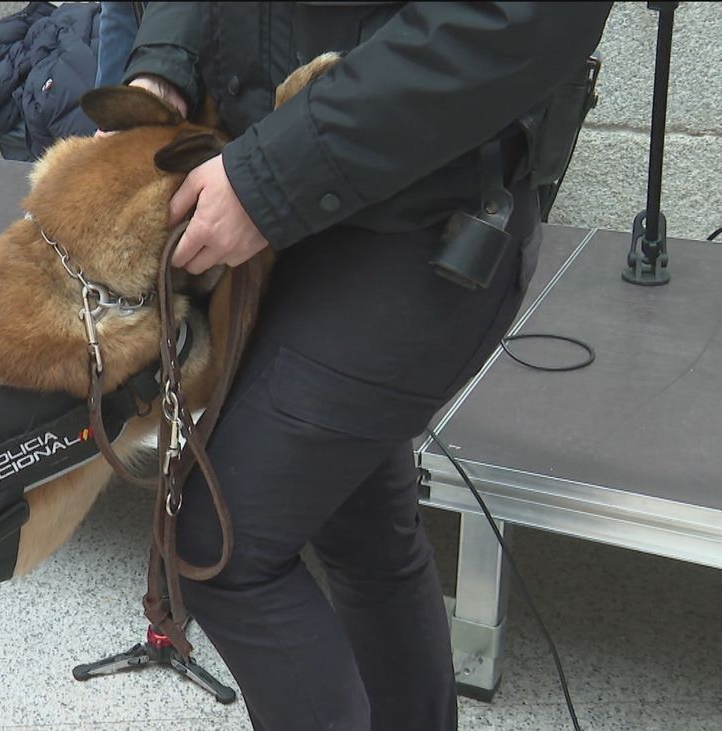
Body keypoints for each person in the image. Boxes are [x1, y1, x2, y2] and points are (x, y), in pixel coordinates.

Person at [110, 3, 613, 729]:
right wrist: (163, 64)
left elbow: (519, 19)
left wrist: (267, 177)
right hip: (281, 180)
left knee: (221, 550)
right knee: (360, 528)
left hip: (417, 216)